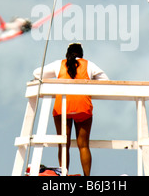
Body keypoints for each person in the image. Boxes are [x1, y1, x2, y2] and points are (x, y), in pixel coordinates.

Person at [32, 43, 108, 176]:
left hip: (62, 108)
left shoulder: (59, 64)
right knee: (83, 145)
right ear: (82, 54)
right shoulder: (89, 65)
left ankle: (64, 175)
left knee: (63, 144)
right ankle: (87, 176)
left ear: (67, 54)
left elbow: (36, 73)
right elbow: (106, 81)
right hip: (82, 107)